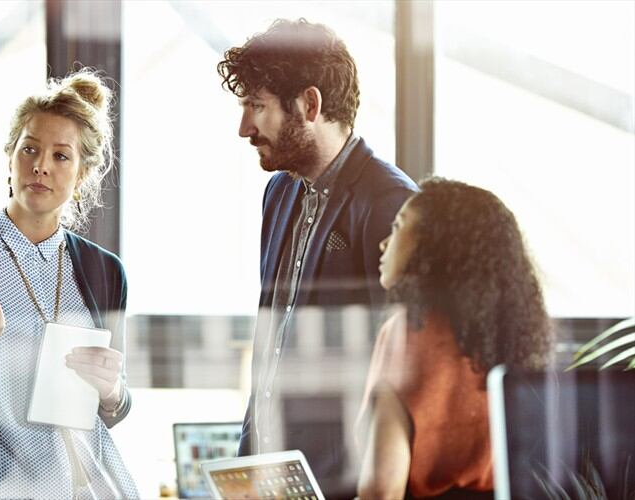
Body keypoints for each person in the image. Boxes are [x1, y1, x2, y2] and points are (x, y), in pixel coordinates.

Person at [217, 18, 417, 496]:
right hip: (272, 476)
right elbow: (272, 340)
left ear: (310, 104)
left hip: (345, 483)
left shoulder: (394, 205)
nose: (244, 127)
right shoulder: (278, 191)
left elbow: (405, 376)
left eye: (256, 107)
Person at [0, 69, 138, 499]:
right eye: (30, 149)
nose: (40, 165)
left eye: (61, 156)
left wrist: (111, 389)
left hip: (86, 487)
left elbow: (113, 407)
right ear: (10, 157)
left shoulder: (105, 272)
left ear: (83, 173)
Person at [356, 178, 554, 499]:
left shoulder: (408, 332)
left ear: (433, 245)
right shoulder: (510, 336)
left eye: (398, 226)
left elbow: (381, 490)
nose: (383, 243)